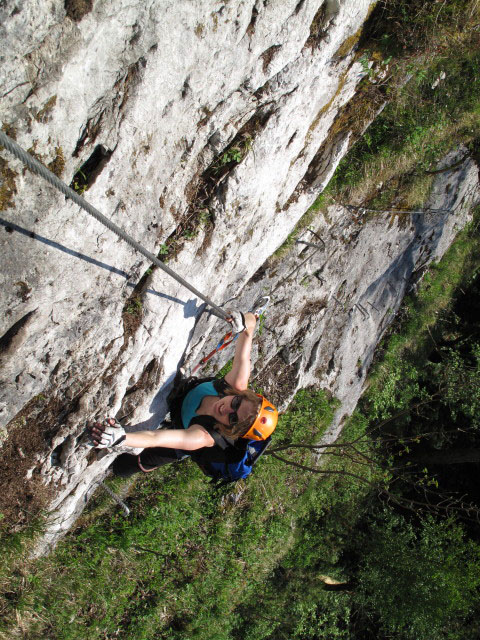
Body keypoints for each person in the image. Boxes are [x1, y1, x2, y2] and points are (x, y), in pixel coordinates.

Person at [89, 311, 278, 478]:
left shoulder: (203, 436)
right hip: (183, 393)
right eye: (236, 403)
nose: (227, 409)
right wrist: (244, 321)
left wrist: (122, 438)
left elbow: (156, 438)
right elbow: (250, 329)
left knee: (140, 462)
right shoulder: (236, 384)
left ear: (233, 430)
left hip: (184, 430)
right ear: (242, 394)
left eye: (233, 418)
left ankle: (121, 470)